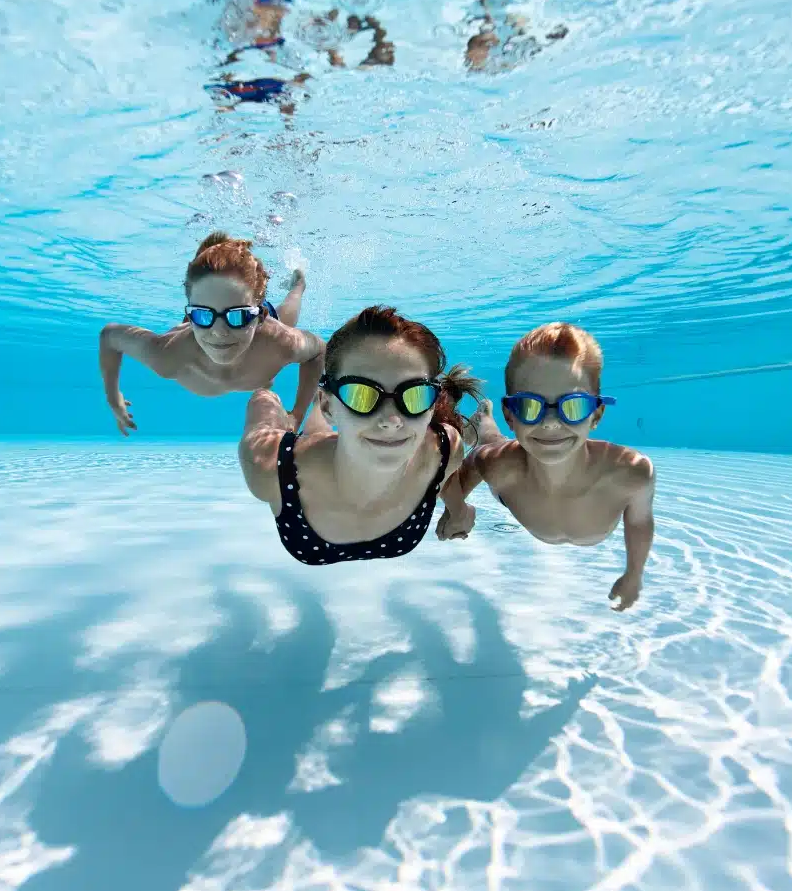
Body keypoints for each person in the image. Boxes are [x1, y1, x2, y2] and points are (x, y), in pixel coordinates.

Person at [437, 323, 656, 611]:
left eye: (573, 406)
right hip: (512, 480)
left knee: (497, 443)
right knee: (488, 443)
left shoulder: (631, 473)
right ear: (511, 415)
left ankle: (486, 422)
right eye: (530, 406)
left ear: (596, 414)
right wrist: (455, 510)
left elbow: (639, 522)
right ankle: (485, 421)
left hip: (516, 461)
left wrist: (634, 574)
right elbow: (460, 469)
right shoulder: (499, 466)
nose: (551, 422)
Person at [239, 306, 482, 565]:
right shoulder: (267, 467)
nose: (391, 421)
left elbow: (444, 478)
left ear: (431, 405)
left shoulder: (444, 449)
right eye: (361, 395)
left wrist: (458, 510)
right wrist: (265, 393)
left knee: (324, 433)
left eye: (414, 395)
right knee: (270, 402)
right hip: (309, 448)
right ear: (327, 405)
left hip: (334, 439)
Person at [99, 232, 320, 436]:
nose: (219, 332)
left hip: (262, 338)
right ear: (189, 318)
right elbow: (109, 336)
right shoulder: (166, 355)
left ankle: (299, 282)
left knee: (289, 309)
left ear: (261, 315)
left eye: (238, 316)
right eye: (203, 316)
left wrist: (297, 416)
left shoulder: (279, 342)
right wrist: (112, 397)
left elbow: (318, 351)